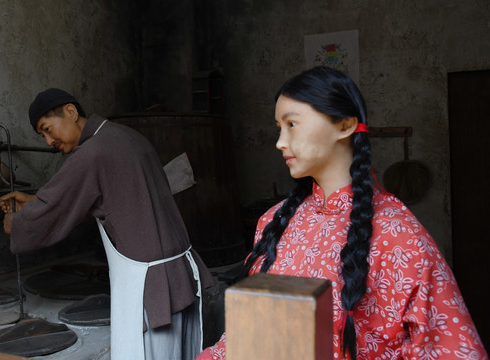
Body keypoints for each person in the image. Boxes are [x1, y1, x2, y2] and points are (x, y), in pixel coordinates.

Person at [197, 67, 488, 359]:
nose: (280, 142)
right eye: (278, 128)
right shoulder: (274, 221)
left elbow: (454, 349)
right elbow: (248, 334)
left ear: (345, 126)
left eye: (292, 124)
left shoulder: (397, 236)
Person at [0, 88, 214, 360]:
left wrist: (16, 223)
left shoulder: (92, 153)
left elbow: (58, 204)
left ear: (70, 112)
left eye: (47, 129)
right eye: (42, 135)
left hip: (149, 285)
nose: (48, 140)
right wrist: (33, 200)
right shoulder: (126, 137)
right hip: (178, 272)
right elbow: (97, 195)